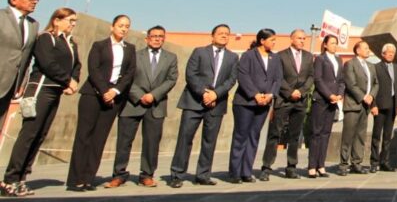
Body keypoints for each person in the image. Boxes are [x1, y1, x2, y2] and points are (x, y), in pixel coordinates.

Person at [2, 8, 79, 197]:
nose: (73, 24)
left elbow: (76, 65)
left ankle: (22, 178)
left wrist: (72, 81)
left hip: (56, 92)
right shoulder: (45, 38)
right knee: (29, 134)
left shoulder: (70, 43)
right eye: (70, 20)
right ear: (56, 20)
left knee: (40, 135)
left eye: (74, 21)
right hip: (41, 90)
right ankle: (10, 179)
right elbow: (47, 63)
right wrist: (66, 80)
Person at [66, 14, 137, 191]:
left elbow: (130, 73)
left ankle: (88, 178)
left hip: (114, 97)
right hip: (93, 94)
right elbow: (93, 68)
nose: (124, 28)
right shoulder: (99, 46)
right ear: (112, 27)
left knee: (99, 139)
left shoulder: (130, 49)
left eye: (127, 26)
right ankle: (75, 179)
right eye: (120, 25)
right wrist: (104, 90)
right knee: (84, 136)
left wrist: (115, 91)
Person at [169, 23, 240, 188]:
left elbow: (232, 79)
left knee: (209, 141)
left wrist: (216, 94)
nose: (224, 36)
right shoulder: (199, 52)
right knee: (185, 138)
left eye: (227, 34)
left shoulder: (233, 57)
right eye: (221, 33)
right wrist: (204, 93)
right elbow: (191, 74)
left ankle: (203, 174)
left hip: (217, 103)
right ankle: (177, 174)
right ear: (213, 36)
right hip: (194, 102)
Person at [108, 25, 178, 188]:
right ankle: (119, 174)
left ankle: (146, 175)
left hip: (156, 105)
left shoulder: (171, 58)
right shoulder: (134, 55)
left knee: (151, 142)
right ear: (147, 38)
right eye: (153, 36)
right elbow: (127, 78)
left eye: (160, 36)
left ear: (164, 39)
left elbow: (171, 79)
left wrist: (153, 95)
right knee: (124, 141)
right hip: (132, 103)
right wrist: (139, 96)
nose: (157, 39)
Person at [227, 29, 281, 183]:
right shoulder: (248, 55)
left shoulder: (275, 58)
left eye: (275, 40)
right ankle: (235, 172)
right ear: (262, 40)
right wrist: (255, 94)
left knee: (254, 136)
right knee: (241, 135)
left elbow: (278, 78)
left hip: (264, 103)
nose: (274, 42)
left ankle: (246, 171)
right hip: (246, 102)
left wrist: (270, 94)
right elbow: (243, 76)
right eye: (271, 39)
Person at [260, 29, 313, 180]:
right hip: (284, 100)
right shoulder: (280, 56)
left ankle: (291, 166)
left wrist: (301, 92)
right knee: (275, 133)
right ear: (291, 39)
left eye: (304, 38)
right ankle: (266, 167)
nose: (302, 41)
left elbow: (311, 77)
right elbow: (277, 77)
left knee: (295, 135)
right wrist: (290, 92)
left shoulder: (308, 57)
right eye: (299, 38)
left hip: (300, 101)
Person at [1, 0, 39, 122]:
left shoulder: (33, 25)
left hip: (11, 86)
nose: (35, 2)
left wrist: (22, 82)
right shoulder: (1, 17)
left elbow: (27, 57)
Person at [308, 35, 343, 178]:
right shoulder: (320, 59)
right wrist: (330, 95)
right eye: (332, 43)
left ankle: (321, 165)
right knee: (316, 132)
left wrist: (339, 94)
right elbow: (318, 79)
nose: (335, 45)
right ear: (326, 45)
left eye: (336, 43)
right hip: (322, 99)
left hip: (334, 101)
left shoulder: (339, 60)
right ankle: (312, 166)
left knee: (326, 133)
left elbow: (341, 80)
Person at [340, 40, 377, 175]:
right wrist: (363, 97)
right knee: (348, 135)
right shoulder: (350, 64)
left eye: (368, 48)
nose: (368, 50)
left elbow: (375, 84)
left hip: (365, 106)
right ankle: (344, 164)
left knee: (360, 136)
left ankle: (357, 163)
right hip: (353, 105)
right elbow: (351, 84)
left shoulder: (371, 66)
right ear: (357, 50)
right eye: (365, 48)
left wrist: (371, 96)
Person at [370, 43, 397, 173]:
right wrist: (373, 105)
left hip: (393, 105)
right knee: (376, 135)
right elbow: (372, 87)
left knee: (387, 136)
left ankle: (385, 161)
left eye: (393, 52)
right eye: (388, 52)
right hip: (379, 106)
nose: (391, 54)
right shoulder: (375, 67)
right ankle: (374, 162)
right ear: (382, 54)